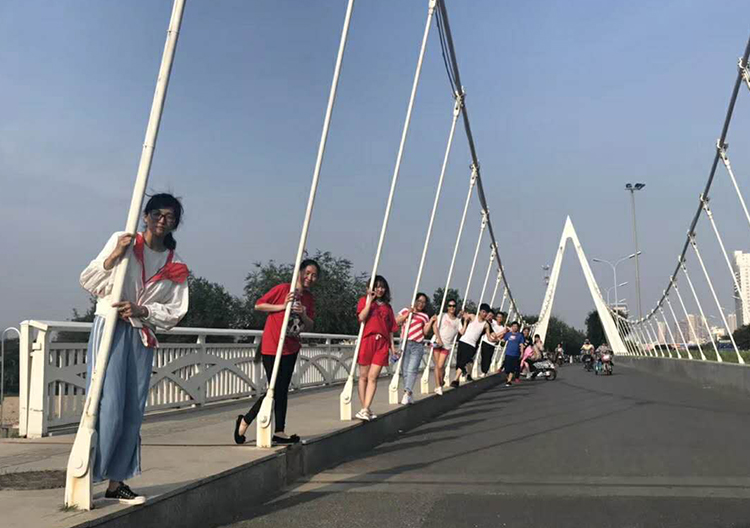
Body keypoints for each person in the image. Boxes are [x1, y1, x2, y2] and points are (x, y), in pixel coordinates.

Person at [80, 193, 189, 505]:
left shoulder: (176, 265)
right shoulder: (124, 241)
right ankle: (85, 474)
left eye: (170, 217)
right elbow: (88, 281)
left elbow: (176, 312)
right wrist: (114, 255)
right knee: (106, 403)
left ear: (175, 224)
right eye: (157, 214)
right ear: (145, 216)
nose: (162, 220)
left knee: (131, 409)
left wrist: (144, 310)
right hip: (111, 327)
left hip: (141, 334)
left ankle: (116, 482)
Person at [235, 259, 318, 445]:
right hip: (272, 346)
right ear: (299, 272)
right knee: (275, 388)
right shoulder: (283, 289)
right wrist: (282, 306)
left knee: (282, 389)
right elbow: (259, 305)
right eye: (307, 273)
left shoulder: (308, 298)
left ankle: (279, 431)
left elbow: (310, 325)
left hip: (291, 347)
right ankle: (246, 420)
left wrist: (303, 313)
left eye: (314, 275)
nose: (310, 278)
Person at [354, 276, 397, 420]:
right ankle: (365, 408)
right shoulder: (364, 301)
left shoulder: (388, 307)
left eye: (382, 287)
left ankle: (366, 408)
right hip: (367, 340)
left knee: (373, 377)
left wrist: (392, 347)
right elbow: (361, 317)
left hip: (382, 343)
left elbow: (391, 329)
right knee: (363, 376)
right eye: (377, 286)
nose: (380, 289)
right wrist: (369, 301)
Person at [395, 293, 435, 405]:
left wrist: (431, 322)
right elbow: (396, 322)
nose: (421, 304)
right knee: (405, 369)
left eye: (423, 302)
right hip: (405, 343)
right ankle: (409, 392)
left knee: (412, 369)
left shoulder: (424, 316)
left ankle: (407, 393)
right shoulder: (405, 310)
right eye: (419, 301)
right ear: (415, 301)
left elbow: (425, 332)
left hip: (417, 344)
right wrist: (408, 314)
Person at [451, 303, 491, 387]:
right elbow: (462, 316)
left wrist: (497, 338)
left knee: (464, 361)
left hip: (472, 345)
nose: (484, 314)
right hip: (463, 341)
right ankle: (457, 379)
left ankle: (455, 379)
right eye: (483, 312)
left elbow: (489, 337)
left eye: (486, 313)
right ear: (480, 311)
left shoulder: (486, 325)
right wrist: (461, 315)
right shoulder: (473, 317)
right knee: (459, 362)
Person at [430, 298, 462, 395]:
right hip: (437, 343)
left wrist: (465, 320)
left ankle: (441, 381)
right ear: (447, 307)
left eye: (453, 306)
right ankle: (438, 386)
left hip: (447, 346)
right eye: (450, 305)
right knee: (437, 365)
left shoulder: (457, 321)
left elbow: (462, 332)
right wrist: (439, 339)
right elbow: (434, 326)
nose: (452, 307)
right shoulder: (442, 315)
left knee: (441, 366)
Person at [479, 309, 505, 376]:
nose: (499, 318)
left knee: (488, 358)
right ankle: (483, 371)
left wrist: (498, 335)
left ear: (502, 319)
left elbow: (499, 338)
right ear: (496, 317)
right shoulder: (492, 322)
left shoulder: (502, 328)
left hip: (492, 344)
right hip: (485, 341)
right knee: (483, 357)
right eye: (498, 317)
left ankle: (485, 371)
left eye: (500, 317)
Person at [502, 321, 524, 386]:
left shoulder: (520, 336)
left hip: (516, 354)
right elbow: (503, 340)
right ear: (511, 327)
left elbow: (521, 345)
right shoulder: (508, 334)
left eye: (516, 326)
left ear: (518, 328)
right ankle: (507, 378)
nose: (515, 327)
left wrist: (522, 353)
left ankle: (509, 381)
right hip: (508, 353)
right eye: (513, 326)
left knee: (512, 368)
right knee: (507, 369)